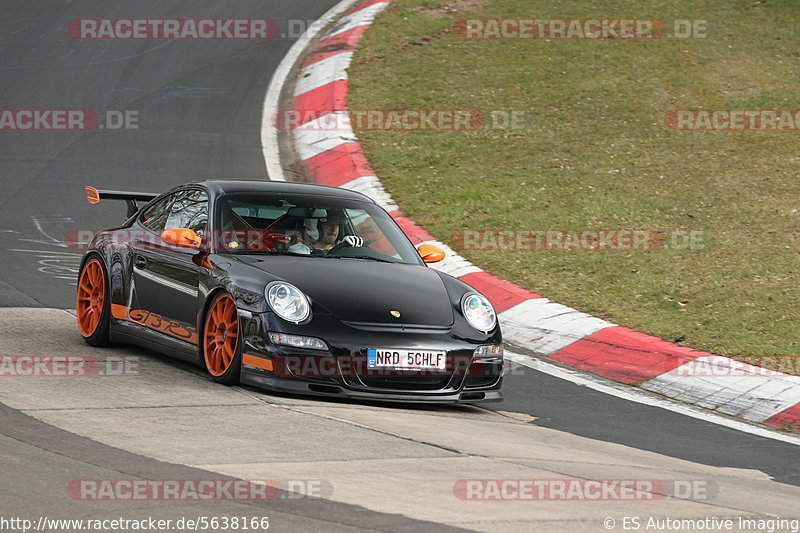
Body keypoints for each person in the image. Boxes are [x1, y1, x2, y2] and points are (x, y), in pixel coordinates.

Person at [288, 211, 363, 254]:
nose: (333, 229)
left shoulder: (346, 248)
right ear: (313, 226)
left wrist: (348, 247)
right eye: (328, 224)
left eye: (336, 224)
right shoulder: (299, 251)